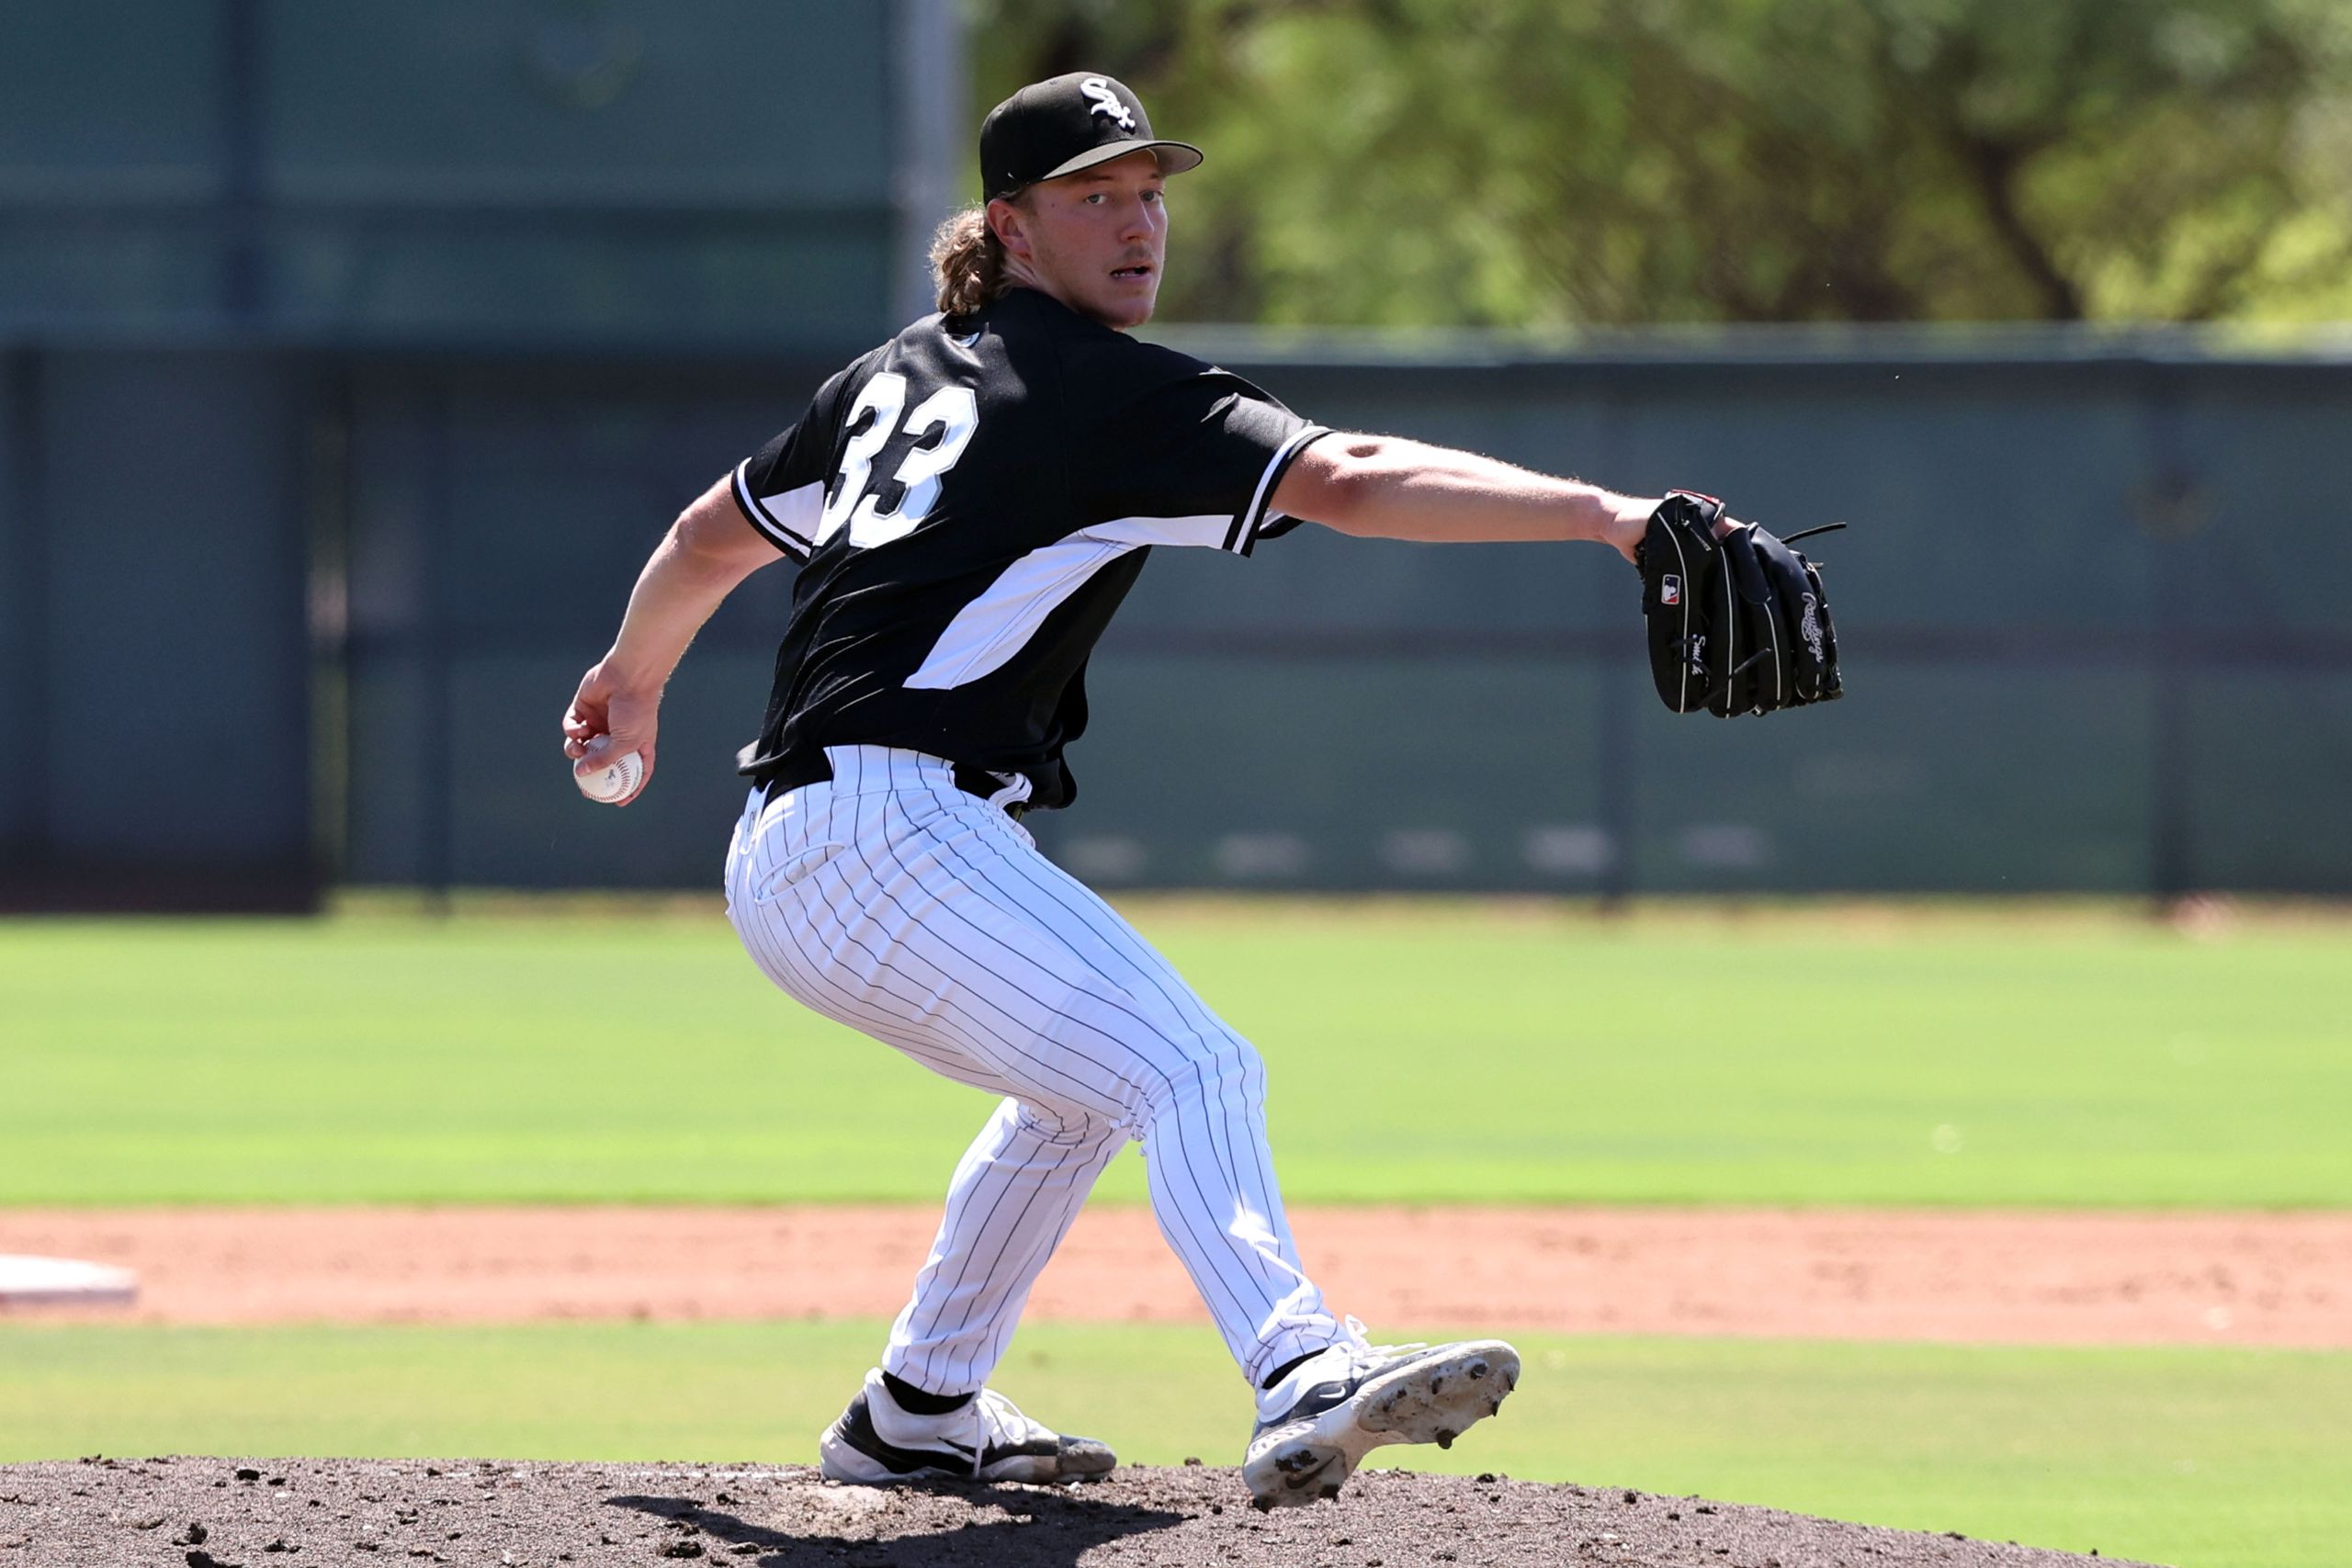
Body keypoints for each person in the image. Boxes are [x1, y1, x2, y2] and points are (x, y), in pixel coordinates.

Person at [562, 71, 1659, 1510]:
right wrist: (1605, 515)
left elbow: (716, 532)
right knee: (1195, 1067)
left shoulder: (898, 373)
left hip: (806, 843)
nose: (1139, 223)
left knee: (1077, 1098)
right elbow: (1358, 477)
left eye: (1149, 191)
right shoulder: (1101, 393)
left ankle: (918, 1406)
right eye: (1094, 196)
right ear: (1011, 226)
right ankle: (1303, 1368)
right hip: (888, 828)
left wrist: (633, 676)